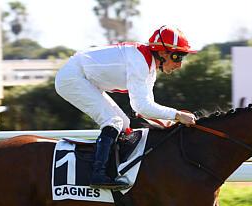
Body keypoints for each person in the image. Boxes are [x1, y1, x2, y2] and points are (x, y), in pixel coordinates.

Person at [55, 26, 198, 190]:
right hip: (73, 77)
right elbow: (142, 107)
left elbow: (146, 107)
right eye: (177, 57)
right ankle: (98, 175)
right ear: (162, 52)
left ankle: (114, 169)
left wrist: (170, 120)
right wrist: (177, 115)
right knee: (113, 121)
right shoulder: (140, 62)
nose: (179, 64)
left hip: (85, 79)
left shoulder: (149, 68)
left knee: (124, 123)